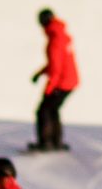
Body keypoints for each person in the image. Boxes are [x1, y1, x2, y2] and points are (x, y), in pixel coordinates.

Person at [29, 8, 79, 152]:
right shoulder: (61, 34)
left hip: (62, 82)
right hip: (70, 80)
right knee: (53, 109)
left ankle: (46, 142)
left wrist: (49, 89)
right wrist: (40, 73)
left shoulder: (55, 40)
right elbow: (55, 63)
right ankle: (56, 141)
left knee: (43, 111)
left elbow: (56, 69)